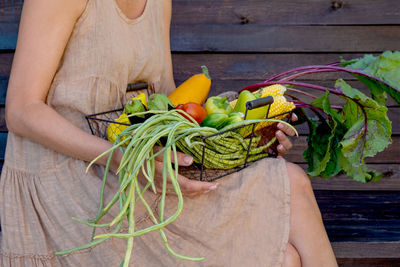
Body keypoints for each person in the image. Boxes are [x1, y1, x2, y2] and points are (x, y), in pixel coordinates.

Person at [0, 0, 337, 266]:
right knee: (283, 256)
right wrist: (124, 160)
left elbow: (168, 100)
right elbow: (21, 109)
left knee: (291, 191)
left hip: (141, 164)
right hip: (73, 181)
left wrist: (243, 135)